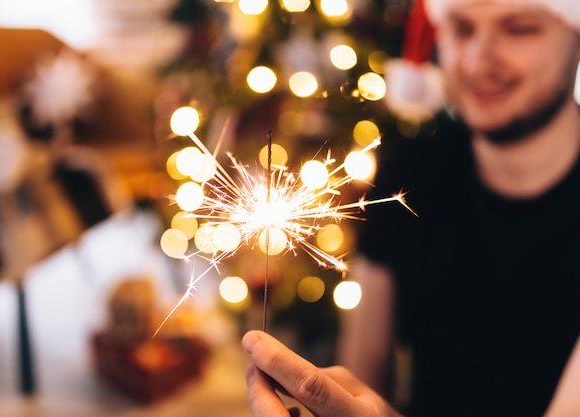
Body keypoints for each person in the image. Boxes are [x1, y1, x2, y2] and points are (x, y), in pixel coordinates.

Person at [243, 0, 580, 416]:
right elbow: (361, 380)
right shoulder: (411, 172)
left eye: (520, 29)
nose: (478, 60)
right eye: (461, 29)